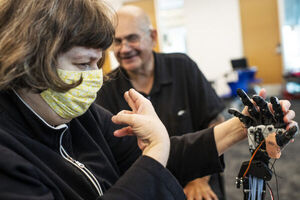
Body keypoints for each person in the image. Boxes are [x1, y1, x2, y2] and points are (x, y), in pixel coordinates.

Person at [0, 1, 297, 200]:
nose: (95, 76)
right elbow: (155, 159)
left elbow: (160, 157)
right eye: (82, 64)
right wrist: (155, 152)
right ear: (28, 60)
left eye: (97, 64)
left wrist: (238, 127)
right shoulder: (8, 157)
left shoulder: (83, 117)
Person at [96, 5, 226, 200]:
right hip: (146, 186)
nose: (125, 49)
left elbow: (214, 121)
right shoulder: (106, 88)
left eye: (132, 38)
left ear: (153, 37)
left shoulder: (183, 67)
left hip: (197, 178)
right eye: (118, 41)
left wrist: (199, 180)